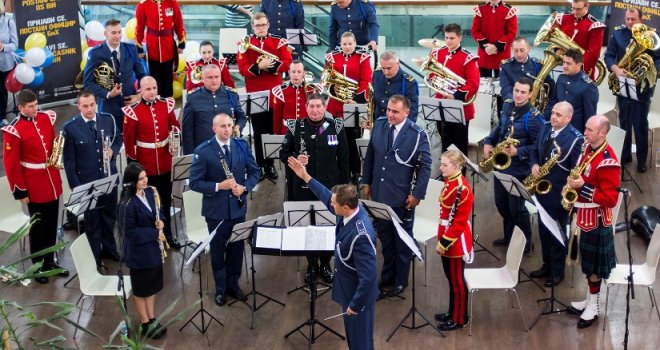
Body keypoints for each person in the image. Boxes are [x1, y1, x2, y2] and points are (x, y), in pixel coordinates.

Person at [286, 156, 378, 350]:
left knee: (361, 343)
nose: (330, 205)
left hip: (357, 298)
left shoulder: (361, 235)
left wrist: (355, 304)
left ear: (345, 207)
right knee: (353, 340)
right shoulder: (350, 211)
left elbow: (368, 277)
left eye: (334, 205)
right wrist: (305, 176)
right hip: (349, 290)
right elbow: (327, 196)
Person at [362, 95, 431, 297]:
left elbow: (425, 166)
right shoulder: (380, 125)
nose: (390, 114)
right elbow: (371, 157)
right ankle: (388, 276)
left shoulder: (417, 134)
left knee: (402, 241)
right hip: (380, 194)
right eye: (389, 110)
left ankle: (401, 281)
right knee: (386, 239)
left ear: (406, 112)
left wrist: (417, 194)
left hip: (402, 196)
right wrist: (367, 182)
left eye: (395, 112)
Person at [189, 113, 260, 306]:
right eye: (222, 126)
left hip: (238, 208)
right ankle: (220, 288)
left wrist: (244, 187)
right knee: (218, 251)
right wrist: (219, 186)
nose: (227, 129)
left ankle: (233, 284)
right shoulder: (203, 151)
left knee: (237, 248)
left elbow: (255, 172)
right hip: (216, 211)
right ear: (214, 129)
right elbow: (194, 183)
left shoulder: (241, 146)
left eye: (229, 125)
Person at [279, 93, 349, 283]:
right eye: (311, 106)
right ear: (306, 107)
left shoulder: (337, 125)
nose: (315, 110)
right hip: (302, 187)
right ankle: (311, 265)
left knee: (328, 226)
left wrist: (345, 188)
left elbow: (344, 159)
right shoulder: (295, 127)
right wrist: (294, 158)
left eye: (319, 106)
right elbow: (283, 154)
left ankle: (326, 264)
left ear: (325, 107)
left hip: (330, 187)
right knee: (308, 227)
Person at [1, 89, 68, 283]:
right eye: (30, 107)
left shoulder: (46, 118)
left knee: (51, 224)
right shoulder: (14, 130)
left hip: (51, 179)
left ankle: (50, 262)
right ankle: (38, 266)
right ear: (20, 107)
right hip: (33, 184)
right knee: (38, 228)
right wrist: (19, 190)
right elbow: (11, 164)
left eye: (36, 105)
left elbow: (52, 141)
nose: (34, 109)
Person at [565, 115, 620, 329]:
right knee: (587, 263)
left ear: (602, 133)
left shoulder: (608, 161)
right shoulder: (587, 149)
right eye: (586, 129)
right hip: (582, 217)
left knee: (594, 267)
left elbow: (610, 199)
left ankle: (594, 306)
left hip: (596, 220)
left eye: (589, 130)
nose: (585, 133)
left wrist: (582, 187)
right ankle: (589, 300)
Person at [62, 90, 121, 267]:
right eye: (85, 106)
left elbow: (118, 138)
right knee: (91, 222)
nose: (89, 109)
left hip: (109, 178)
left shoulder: (107, 119)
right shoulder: (70, 128)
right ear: (78, 106)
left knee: (109, 217)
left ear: (96, 103)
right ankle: (94, 256)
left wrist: (113, 150)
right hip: (86, 184)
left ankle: (109, 249)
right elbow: (69, 162)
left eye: (92, 105)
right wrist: (76, 188)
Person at [484, 77, 543, 251]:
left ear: (531, 94)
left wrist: (518, 151)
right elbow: (499, 129)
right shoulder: (508, 105)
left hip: (519, 169)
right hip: (501, 165)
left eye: (523, 92)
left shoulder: (534, 118)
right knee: (501, 204)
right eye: (516, 90)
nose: (518, 95)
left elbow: (538, 146)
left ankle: (526, 242)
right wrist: (488, 141)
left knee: (516, 209)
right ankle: (509, 236)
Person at [528, 101, 583, 288]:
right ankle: (547, 265)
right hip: (541, 190)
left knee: (557, 234)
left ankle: (558, 272)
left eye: (558, 115)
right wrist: (534, 165)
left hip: (558, 194)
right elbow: (535, 150)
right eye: (552, 113)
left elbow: (576, 171)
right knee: (544, 232)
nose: (553, 117)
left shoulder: (576, 140)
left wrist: (568, 190)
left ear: (568, 118)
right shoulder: (545, 127)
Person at [123, 76, 182, 249]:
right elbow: (129, 141)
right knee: (147, 204)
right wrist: (135, 169)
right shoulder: (132, 111)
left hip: (165, 161)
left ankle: (168, 233)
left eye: (154, 88)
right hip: (145, 167)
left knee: (165, 201)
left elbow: (175, 126)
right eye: (148, 89)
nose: (152, 92)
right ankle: (151, 236)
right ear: (140, 90)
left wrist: (175, 138)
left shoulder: (166, 104)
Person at [236, 12, 293, 181]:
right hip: (255, 94)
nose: (260, 28)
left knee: (272, 131)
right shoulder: (246, 43)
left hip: (274, 94)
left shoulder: (278, 41)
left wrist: (271, 66)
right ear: (252, 26)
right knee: (259, 131)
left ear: (268, 25)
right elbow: (242, 68)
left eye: (263, 25)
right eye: (257, 25)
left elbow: (287, 61)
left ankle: (270, 164)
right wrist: (259, 66)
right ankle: (260, 165)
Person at [603, 8, 660, 173]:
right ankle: (625, 154)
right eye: (627, 19)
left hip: (642, 88)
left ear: (641, 19)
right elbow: (609, 56)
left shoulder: (651, 36)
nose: (629, 22)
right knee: (624, 122)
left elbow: (658, 59)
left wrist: (647, 71)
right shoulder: (618, 34)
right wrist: (616, 69)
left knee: (640, 124)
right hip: (623, 84)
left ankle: (641, 160)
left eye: (633, 19)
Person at [119, 162, 167, 339]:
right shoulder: (127, 204)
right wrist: (155, 232)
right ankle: (144, 322)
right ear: (131, 182)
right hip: (139, 253)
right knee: (141, 289)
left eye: (145, 177)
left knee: (151, 286)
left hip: (152, 249)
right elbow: (130, 233)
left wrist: (161, 221)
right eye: (141, 179)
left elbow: (158, 211)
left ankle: (152, 317)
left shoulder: (150, 192)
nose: (145, 181)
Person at [433, 150, 474, 331]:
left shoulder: (462, 189)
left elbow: (458, 223)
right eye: (441, 163)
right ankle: (452, 311)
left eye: (445, 165)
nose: (440, 168)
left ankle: (460, 318)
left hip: (454, 241)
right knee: (451, 279)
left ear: (456, 166)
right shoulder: (450, 182)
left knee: (457, 281)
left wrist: (443, 243)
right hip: (446, 234)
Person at [325, 32, 373, 183]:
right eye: (344, 44)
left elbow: (366, 80)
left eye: (350, 44)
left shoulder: (363, 58)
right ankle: (338, 171)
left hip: (354, 105)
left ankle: (355, 172)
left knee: (353, 140)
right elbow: (326, 78)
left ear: (355, 43)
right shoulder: (332, 57)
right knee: (335, 140)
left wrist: (356, 99)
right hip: (336, 105)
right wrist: (333, 89)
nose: (347, 47)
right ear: (340, 44)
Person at [83, 19, 146, 134]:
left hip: (131, 105)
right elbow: (88, 83)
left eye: (119, 32)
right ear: (105, 34)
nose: (118, 36)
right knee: (111, 143)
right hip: (108, 108)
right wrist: (108, 94)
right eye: (113, 33)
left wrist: (139, 95)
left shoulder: (131, 49)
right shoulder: (95, 54)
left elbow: (142, 76)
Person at [429, 23, 480, 155]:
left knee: (459, 147)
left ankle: (460, 175)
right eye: (446, 38)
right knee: (445, 144)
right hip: (441, 103)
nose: (448, 41)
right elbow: (432, 75)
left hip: (460, 106)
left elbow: (473, 84)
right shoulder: (437, 53)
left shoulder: (468, 58)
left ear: (460, 37)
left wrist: (455, 96)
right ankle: (445, 173)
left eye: (452, 38)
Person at [183, 64, 246, 155]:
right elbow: (187, 132)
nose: (214, 80)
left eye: (217, 77)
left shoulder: (231, 94)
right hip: (203, 150)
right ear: (203, 79)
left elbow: (242, 117)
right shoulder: (193, 98)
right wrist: (189, 157)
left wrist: (238, 127)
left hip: (228, 148)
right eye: (210, 77)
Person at [135, 0, 186, 98]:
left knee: (168, 78)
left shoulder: (172, 2)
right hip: (152, 47)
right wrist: (139, 47)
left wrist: (181, 41)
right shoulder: (143, 4)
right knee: (155, 79)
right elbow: (139, 27)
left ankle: (167, 105)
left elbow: (179, 23)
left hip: (168, 47)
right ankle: (155, 103)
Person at [543, 48, 598, 133]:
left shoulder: (589, 86)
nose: (564, 66)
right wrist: (542, 121)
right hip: (555, 127)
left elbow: (590, 117)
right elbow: (552, 103)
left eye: (569, 63)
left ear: (579, 65)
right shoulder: (561, 78)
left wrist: (586, 137)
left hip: (574, 132)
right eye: (564, 62)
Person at [555, 0, 605, 80]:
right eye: (573, 8)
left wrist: (574, 66)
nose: (575, 12)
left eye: (578, 9)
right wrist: (557, 50)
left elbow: (593, 55)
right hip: (562, 67)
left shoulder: (594, 26)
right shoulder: (563, 19)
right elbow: (556, 41)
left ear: (587, 6)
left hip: (581, 71)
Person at [499, 37, 554, 108]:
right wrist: (516, 102)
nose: (519, 54)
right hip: (514, 105)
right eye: (516, 51)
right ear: (512, 50)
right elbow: (506, 89)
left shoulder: (538, 65)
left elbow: (550, 86)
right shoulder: (506, 66)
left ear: (528, 49)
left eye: (522, 50)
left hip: (534, 107)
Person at [470, 0, 518, 78]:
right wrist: (485, 46)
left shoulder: (509, 10)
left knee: (503, 85)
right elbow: (475, 31)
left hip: (502, 55)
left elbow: (512, 33)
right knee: (483, 86)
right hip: (484, 54)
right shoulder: (480, 8)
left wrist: (496, 46)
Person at [271, 60, 321, 135]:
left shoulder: (312, 89)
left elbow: (319, 115)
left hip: (308, 132)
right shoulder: (280, 92)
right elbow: (277, 117)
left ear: (304, 73)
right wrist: (278, 136)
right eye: (293, 72)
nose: (296, 75)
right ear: (289, 72)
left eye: (299, 72)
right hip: (287, 132)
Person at [372, 51, 419, 122]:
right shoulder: (376, 75)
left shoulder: (409, 82)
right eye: (383, 68)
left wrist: (406, 131)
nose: (386, 72)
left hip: (398, 124)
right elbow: (373, 102)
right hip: (378, 122)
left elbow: (412, 111)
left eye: (389, 68)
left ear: (398, 64)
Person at [0, 3, 17, 126]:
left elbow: (15, 45)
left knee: (1, 91)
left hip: (5, 63)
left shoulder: (9, 22)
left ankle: (2, 116)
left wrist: (3, 47)